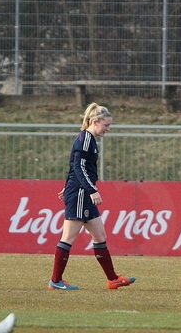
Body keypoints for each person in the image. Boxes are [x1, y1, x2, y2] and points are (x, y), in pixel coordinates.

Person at [48, 103, 136, 291]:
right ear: (95, 121)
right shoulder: (86, 139)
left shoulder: (88, 139)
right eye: (106, 125)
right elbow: (78, 167)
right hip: (81, 192)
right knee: (68, 237)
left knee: (100, 235)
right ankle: (55, 280)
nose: (108, 129)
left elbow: (74, 165)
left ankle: (113, 279)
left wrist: (68, 185)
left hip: (80, 190)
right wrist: (91, 189)